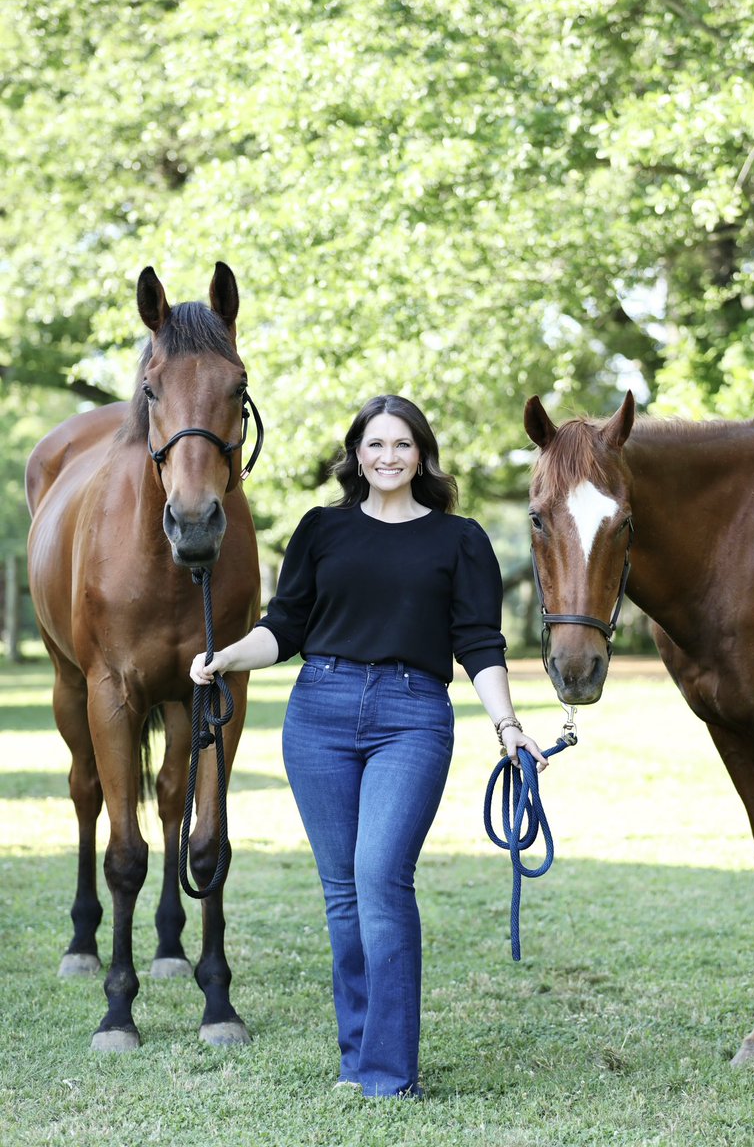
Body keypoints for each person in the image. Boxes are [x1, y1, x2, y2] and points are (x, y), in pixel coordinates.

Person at [190, 394, 547, 1099]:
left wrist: (507, 725)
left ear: (422, 456)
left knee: (381, 878)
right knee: (343, 895)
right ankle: (357, 1060)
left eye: (402, 444)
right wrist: (229, 653)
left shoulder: (458, 538)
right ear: (356, 453)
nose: (387, 456)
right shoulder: (321, 529)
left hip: (411, 715)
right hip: (317, 710)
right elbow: (285, 626)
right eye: (374, 443)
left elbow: (478, 643)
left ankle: (387, 1074)